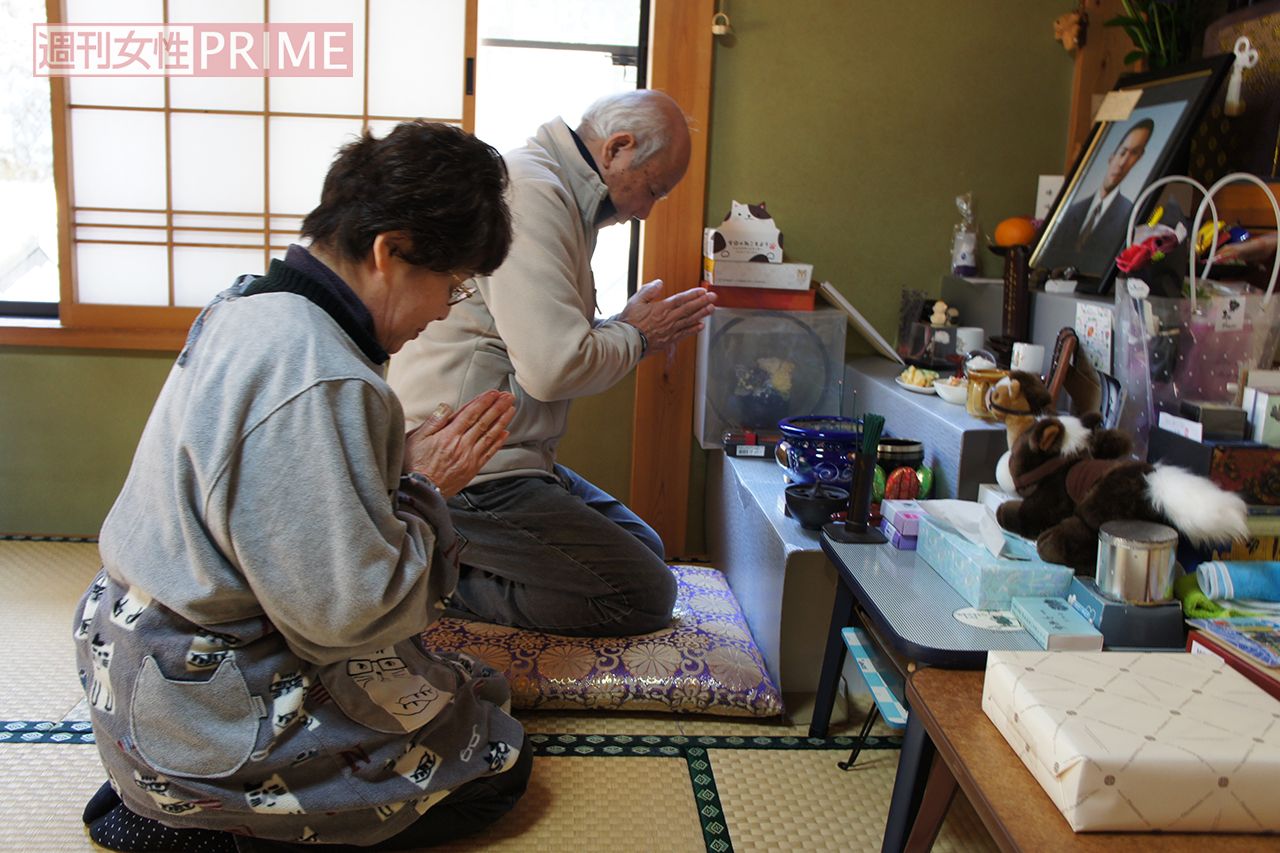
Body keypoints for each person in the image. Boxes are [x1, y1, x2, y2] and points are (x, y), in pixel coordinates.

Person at [73, 122, 533, 852]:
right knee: (497, 759)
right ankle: (205, 819)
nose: (448, 308)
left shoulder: (250, 302)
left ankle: (167, 781)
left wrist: (394, 465)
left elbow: (269, 509)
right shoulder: (321, 372)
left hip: (132, 645)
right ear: (389, 251)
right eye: (451, 283)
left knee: (466, 684)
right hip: (207, 681)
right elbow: (347, 618)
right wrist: (424, 490)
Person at [387, 89, 716, 638]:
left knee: (644, 548)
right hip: (468, 464)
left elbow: (552, 341)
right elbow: (554, 368)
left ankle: (455, 556)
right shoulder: (532, 193)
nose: (644, 211)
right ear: (618, 148)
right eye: (653, 190)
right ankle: (432, 581)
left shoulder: (560, 194)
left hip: (516, 455)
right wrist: (635, 337)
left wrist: (624, 329)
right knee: (643, 594)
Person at [1045, 118, 1154, 273]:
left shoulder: (1130, 215)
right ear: (1111, 156)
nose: (1123, 162)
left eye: (1133, 154)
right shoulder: (1071, 210)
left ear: (1138, 160)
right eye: (1122, 152)